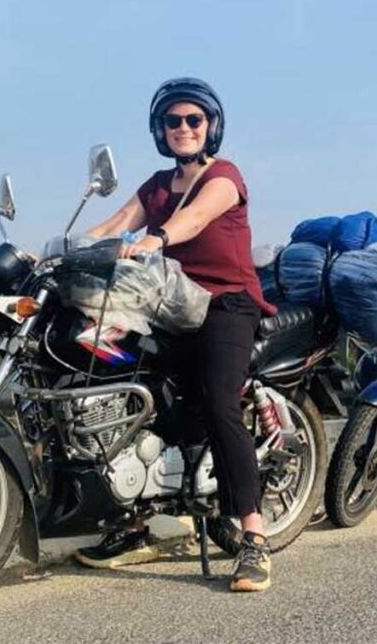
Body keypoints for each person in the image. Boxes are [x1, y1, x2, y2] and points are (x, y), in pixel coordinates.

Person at [74, 78, 278, 591]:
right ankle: (136, 520)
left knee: (218, 402)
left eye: (194, 120)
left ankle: (254, 536)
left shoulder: (225, 176)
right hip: (172, 300)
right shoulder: (157, 184)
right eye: (173, 121)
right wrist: (59, 251)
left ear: (211, 126)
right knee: (132, 387)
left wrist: (155, 239)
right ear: (159, 130)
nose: (183, 128)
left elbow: (196, 217)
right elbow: (113, 223)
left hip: (227, 302)